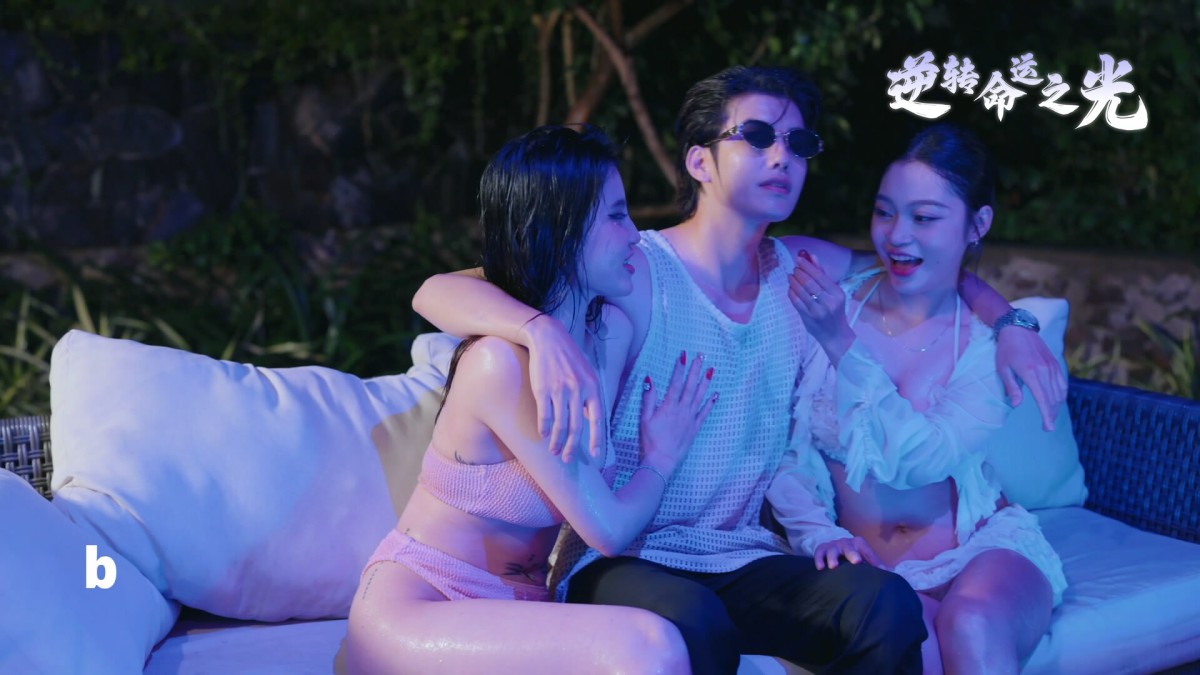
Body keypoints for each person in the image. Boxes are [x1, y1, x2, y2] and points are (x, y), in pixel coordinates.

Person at [412, 66, 1065, 674]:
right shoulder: (634, 267)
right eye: (756, 137)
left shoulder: (801, 273)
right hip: (628, 558)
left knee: (884, 603)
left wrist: (1012, 323)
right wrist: (539, 327)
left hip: (743, 555)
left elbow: (920, 263)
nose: (782, 157)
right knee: (695, 619)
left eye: (797, 143)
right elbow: (439, 290)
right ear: (700, 161)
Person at [344, 125, 718, 674]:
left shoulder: (609, 335)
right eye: (616, 216)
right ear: (560, 230)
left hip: (521, 606)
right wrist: (660, 457)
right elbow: (609, 529)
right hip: (423, 602)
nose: (635, 235)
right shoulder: (497, 364)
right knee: (651, 645)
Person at [769, 123, 1067, 675]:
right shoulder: (834, 300)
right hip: (860, 561)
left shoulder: (988, 345)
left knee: (970, 623)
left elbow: (918, 462)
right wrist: (818, 533)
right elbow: (787, 452)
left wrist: (842, 345)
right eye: (884, 212)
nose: (897, 235)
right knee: (909, 643)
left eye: (925, 218)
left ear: (978, 224)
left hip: (982, 552)